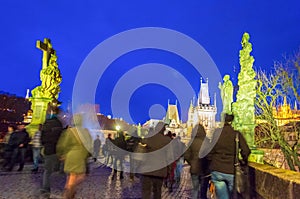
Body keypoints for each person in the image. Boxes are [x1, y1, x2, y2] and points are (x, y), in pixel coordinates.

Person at [207, 114, 250, 199]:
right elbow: (246, 151)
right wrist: (244, 161)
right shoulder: (236, 135)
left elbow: (209, 152)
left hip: (217, 169)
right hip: (231, 169)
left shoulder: (216, 133)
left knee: (223, 197)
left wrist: (212, 161)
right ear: (231, 122)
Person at [56, 114, 92, 199]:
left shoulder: (69, 131)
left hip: (70, 156)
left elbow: (63, 145)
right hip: (80, 156)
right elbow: (90, 146)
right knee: (80, 176)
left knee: (71, 176)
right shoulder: (85, 132)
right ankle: (69, 192)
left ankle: (69, 191)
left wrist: (61, 154)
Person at [141, 122, 173, 199]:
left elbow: (141, 152)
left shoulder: (148, 138)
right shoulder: (167, 140)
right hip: (160, 170)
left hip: (147, 169)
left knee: (146, 192)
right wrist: (169, 171)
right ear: (163, 130)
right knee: (157, 192)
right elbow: (170, 158)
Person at [40, 103, 63, 198]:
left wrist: (45, 144)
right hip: (57, 149)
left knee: (47, 171)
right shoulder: (59, 124)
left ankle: (46, 189)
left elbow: (42, 138)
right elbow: (61, 138)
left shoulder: (46, 124)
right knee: (57, 169)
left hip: (48, 149)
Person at [184, 124, 210, 199]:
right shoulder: (207, 141)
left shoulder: (191, 142)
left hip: (194, 169)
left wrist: (191, 162)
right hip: (204, 169)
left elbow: (186, 154)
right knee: (203, 190)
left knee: (195, 189)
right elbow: (210, 155)